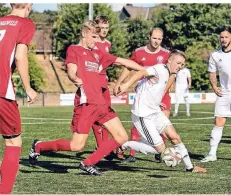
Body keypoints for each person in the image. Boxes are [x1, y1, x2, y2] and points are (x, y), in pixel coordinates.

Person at [28, 20, 144, 176]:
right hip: (86, 104)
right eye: (93, 36)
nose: (96, 41)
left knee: (122, 136)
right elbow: (71, 69)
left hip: (101, 104)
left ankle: (87, 163)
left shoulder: (98, 53)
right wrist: (74, 77)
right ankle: (39, 147)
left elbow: (122, 61)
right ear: (84, 33)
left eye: (97, 37)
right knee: (76, 146)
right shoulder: (74, 49)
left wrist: (144, 70)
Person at [117, 50, 206, 173]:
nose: (180, 66)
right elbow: (142, 72)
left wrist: (156, 101)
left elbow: (150, 86)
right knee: (159, 149)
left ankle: (189, 167)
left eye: (182, 64)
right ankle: (125, 144)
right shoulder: (160, 69)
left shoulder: (168, 73)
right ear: (169, 60)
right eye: (178, 63)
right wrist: (126, 85)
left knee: (174, 137)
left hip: (155, 111)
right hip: (143, 115)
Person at [113, 27, 173, 162]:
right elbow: (128, 67)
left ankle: (160, 153)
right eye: (154, 38)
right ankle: (132, 154)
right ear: (149, 37)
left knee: (162, 124)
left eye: (159, 39)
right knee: (138, 123)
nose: (156, 41)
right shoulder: (139, 52)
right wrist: (118, 83)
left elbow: (171, 76)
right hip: (144, 95)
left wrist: (162, 93)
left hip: (162, 95)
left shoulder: (166, 54)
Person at [0, 3, 37, 194]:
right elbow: (21, 56)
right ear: (29, 4)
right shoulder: (25, 23)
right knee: (13, 143)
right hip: (1, 91)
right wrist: (28, 88)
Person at [201, 27, 231, 162]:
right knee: (219, 122)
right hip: (224, 93)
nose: (223, 39)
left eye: (226, 37)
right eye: (222, 37)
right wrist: (214, 86)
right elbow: (212, 73)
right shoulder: (215, 55)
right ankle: (212, 154)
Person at [91, 15, 113, 158]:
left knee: (107, 113)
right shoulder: (91, 42)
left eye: (106, 28)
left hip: (104, 82)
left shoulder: (108, 43)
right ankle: (101, 145)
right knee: (95, 114)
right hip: (93, 82)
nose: (104, 30)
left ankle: (105, 146)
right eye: (101, 28)